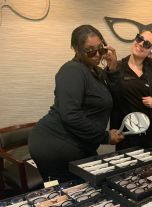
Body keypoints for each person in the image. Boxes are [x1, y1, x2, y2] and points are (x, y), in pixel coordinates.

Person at [28, 24, 124, 182]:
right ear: (77, 49)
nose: (97, 54)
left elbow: (114, 98)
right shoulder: (72, 71)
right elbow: (70, 115)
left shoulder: (95, 71)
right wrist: (105, 136)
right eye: (90, 50)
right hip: (56, 144)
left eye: (100, 48)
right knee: (69, 194)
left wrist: (112, 69)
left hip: (79, 142)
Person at [109, 30, 152, 150]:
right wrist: (113, 127)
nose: (140, 44)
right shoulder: (117, 67)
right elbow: (112, 98)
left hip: (150, 135)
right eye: (139, 38)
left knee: (150, 168)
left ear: (151, 52)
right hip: (126, 134)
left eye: (147, 44)